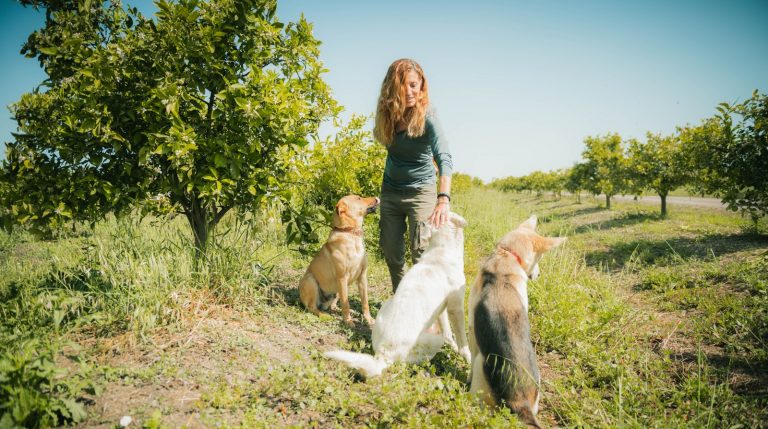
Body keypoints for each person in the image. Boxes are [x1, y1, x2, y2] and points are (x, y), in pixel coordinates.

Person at [373, 58, 453, 292]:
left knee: (421, 254)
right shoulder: (386, 115)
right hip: (390, 192)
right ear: (392, 88)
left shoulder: (428, 116)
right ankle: (401, 302)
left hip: (421, 193)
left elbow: (444, 158)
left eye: (414, 85)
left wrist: (443, 199)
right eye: (404, 85)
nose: (410, 91)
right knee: (392, 255)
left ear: (421, 86)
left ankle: (425, 312)